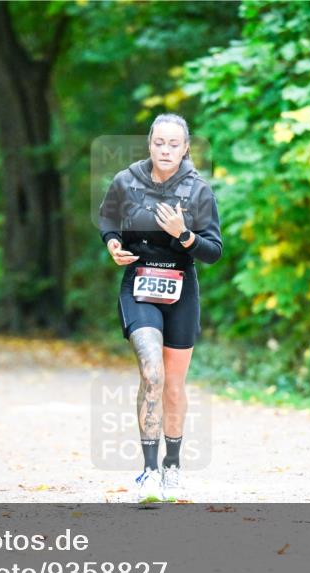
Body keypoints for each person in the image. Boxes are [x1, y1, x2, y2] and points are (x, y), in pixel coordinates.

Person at [98, 114, 223, 502]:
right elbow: (107, 218)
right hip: (138, 285)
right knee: (151, 372)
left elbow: (214, 251)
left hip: (181, 291)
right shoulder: (127, 180)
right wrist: (113, 243)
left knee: (172, 384)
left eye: (174, 144)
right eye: (159, 143)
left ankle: (172, 464)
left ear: (186, 148)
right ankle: (149, 472)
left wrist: (183, 235)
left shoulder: (198, 190)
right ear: (149, 144)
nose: (165, 150)